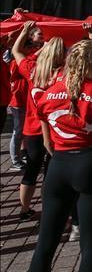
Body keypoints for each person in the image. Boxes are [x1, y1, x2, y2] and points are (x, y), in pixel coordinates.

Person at [27, 40, 92, 272]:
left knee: (45, 242)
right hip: (91, 162)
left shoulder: (50, 92)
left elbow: (47, 142)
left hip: (59, 164)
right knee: (90, 244)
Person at [13, 30, 65, 220]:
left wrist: (25, 31)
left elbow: (16, 51)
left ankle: (24, 209)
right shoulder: (63, 74)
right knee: (51, 173)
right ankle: (50, 210)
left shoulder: (31, 68)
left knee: (31, 170)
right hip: (54, 130)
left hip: (32, 128)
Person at [9, 18, 44, 171]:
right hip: (18, 100)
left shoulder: (33, 54)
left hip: (29, 100)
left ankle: (25, 153)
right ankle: (16, 159)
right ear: (31, 37)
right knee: (18, 131)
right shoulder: (21, 59)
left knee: (25, 130)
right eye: (40, 36)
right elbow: (21, 59)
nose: (42, 39)